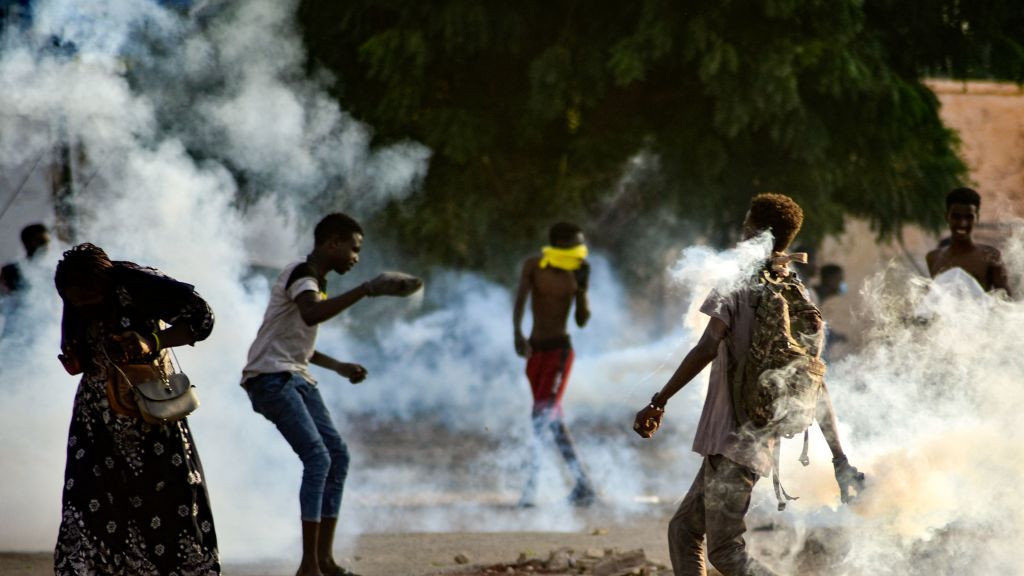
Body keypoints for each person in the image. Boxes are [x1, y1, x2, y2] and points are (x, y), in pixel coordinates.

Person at [632, 194, 864, 576]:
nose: (741, 233)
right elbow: (816, 385)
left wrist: (659, 401)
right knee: (684, 530)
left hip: (731, 439)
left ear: (756, 231)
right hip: (755, 441)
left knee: (725, 551)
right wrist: (839, 458)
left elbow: (707, 345)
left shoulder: (738, 281)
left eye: (746, 225)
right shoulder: (797, 293)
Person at [241, 212, 421, 576]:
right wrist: (368, 288)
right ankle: (309, 566)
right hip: (270, 378)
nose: (355, 257)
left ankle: (324, 560)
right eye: (353, 249)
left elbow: (296, 340)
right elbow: (310, 315)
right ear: (331, 244)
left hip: (293, 375)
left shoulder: (316, 281)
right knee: (318, 458)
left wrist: (339, 366)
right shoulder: (302, 275)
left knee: (337, 456)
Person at [53, 243, 219, 575]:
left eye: (91, 297)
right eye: (77, 301)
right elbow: (81, 349)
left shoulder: (140, 283)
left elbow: (202, 318)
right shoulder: (73, 296)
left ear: (104, 284)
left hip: (150, 416)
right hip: (95, 421)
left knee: (167, 502)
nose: (85, 306)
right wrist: (76, 361)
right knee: (88, 503)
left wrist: (153, 342)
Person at [512, 221, 597, 508]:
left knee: (541, 417)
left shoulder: (578, 271)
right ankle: (583, 484)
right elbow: (520, 300)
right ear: (558, 245)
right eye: (575, 244)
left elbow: (582, 320)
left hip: (560, 352)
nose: (580, 250)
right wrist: (517, 333)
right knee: (551, 420)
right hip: (536, 351)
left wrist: (582, 289)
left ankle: (531, 489)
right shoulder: (534, 266)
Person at [926, 187, 1011, 295]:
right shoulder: (933, 258)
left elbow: (1007, 303)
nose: (962, 223)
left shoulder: (990, 256)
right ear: (947, 217)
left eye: (969, 217)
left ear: (977, 218)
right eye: (956, 217)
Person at [0, 222, 50, 294]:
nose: (46, 246)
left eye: (47, 242)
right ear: (28, 243)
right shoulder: (10, 271)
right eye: (42, 242)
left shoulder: (53, 271)